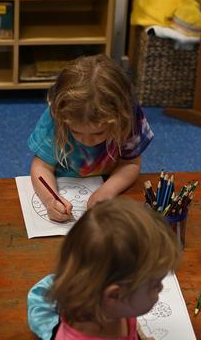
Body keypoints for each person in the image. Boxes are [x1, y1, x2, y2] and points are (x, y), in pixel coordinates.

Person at [27, 198, 200, 340]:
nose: (160, 289)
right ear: (115, 295)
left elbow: (40, 297)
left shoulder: (94, 303)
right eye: (155, 284)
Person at [28, 54, 154, 221]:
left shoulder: (128, 118)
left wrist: (107, 191)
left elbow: (130, 163)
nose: (86, 141)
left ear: (119, 119)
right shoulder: (58, 116)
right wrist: (50, 200)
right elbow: (41, 167)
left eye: (98, 133)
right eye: (76, 131)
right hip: (61, 183)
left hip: (109, 181)